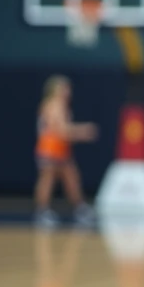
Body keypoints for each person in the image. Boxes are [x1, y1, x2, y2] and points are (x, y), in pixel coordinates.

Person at [34, 75, 98, 228]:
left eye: (68, 88)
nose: (67, 91)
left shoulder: (62, 105)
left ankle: (80, 209)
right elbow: (60, 130)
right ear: (54, 90)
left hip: (61, 149)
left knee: (72, 177)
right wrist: (83, 131)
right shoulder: (53, 105)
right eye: (63, 88)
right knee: (47, 179)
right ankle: (42, 212)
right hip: (49, 149)